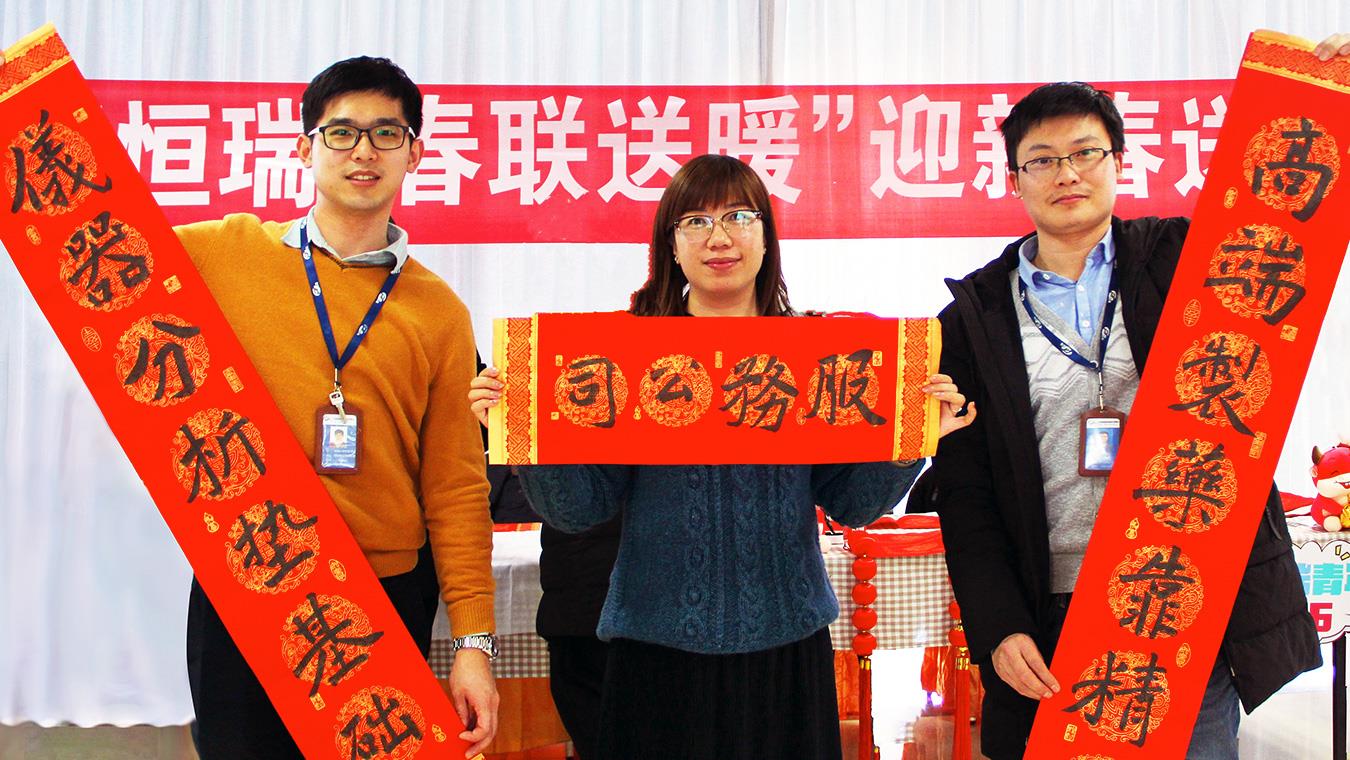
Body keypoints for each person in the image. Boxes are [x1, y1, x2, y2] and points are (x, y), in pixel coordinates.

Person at [470, 154, 974, 760]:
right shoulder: (628, 353)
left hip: (787, 645)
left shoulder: (813, 352)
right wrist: (522, 436)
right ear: (671, 245)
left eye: (739, 216)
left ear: (766, 236)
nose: (719, 237)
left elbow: (852, 504)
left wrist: (913, 440)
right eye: (695, 222)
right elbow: (579, 511)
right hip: (653, 648)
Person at [930, 71, 1346, 759]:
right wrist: (999, 625)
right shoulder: (974, 318)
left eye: (1085, 152)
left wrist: (1326, 96)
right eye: (1042, 160)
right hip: (1050, 608)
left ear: (1119, 162)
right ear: (1013, 180)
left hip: (1183, 589)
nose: (1067, 173)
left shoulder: (1188, 259)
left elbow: (1291, 214)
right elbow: (966, 494)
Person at [173, 56, 497, 759]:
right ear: (304, 148)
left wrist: (474, 645)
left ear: (415, 152)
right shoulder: (224, 252)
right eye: (342, 132)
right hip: (248, 578)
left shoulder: (439, 312)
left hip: (383, 596)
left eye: (386, 133)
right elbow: (100, 257)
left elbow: (456, 487)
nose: (363, 152)